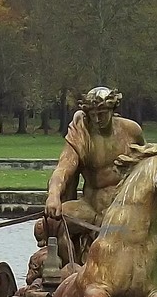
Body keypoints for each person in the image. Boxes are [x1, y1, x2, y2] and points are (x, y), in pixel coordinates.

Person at [42, 86, 144, 264]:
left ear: (112, 109)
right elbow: (63, 169)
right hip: (90, 205)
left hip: (125, 205)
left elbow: (147, 164)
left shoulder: (131, 131)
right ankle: (71, 269)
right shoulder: (82, 133)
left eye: (102, 113)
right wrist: (53, 195)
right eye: (93, 114)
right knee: (55, 222)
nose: (97, 119)